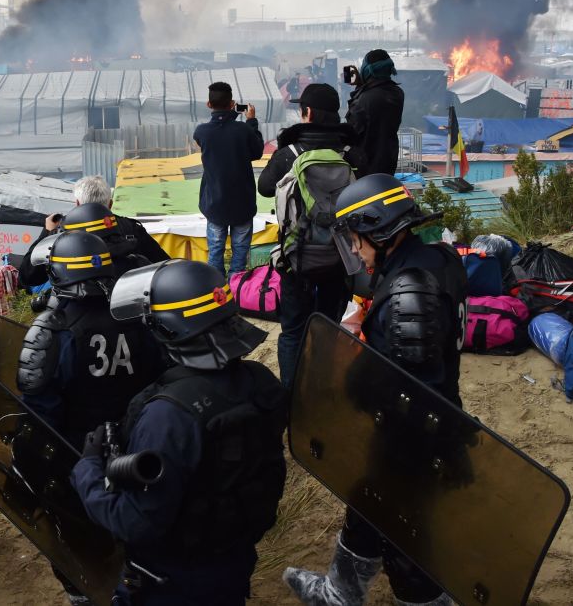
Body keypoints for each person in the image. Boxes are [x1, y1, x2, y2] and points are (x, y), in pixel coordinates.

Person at [284, 174, 467, 606]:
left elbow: (412, 392)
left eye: (356, 238)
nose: (354, 249)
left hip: (413, 438)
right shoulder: (434, 260)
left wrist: (353, 374)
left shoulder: (409, 291)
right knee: (367, 500)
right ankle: (339, 592)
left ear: (380, 230)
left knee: (406, 542)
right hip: (414, 428)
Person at [71, 259, 287, 604]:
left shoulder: (169, 415)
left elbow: (135, 522)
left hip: (169, 579)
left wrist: (87, 469)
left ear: (168, 331)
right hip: (234, 558)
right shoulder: (262, 383)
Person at [19, 230, 167, 605]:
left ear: (59, 275)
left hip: (78, 457)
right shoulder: (141, 317)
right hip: (142, 447)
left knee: (79, 539)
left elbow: (41, 415)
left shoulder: (51, 331)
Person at [258, 83, 357, 388]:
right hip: (339, 256)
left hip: (297, 256)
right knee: (328, 326)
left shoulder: (288, 152)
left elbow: (264, 187)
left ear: (307, 113)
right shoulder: (350, 152)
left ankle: (291, 394)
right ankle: (324, 391)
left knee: (292, 330)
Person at [18, 175, 168, 287]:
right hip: (126, 314)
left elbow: (28, 277)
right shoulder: (131, 229)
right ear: (110, 204)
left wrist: (47, 233)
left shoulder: (60, 235)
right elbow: (164, 267)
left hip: (75, 314)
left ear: (77, 203)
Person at [193, 81, 265, 277]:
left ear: (209, 105)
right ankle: (238, 293)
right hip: (243, 204)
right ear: (232, 103)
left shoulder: (201, 132)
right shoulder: (244, 130)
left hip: (215, 204)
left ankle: (216, 293)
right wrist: (251, 121)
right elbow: (257, 152)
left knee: (215, 255)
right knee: (239, 257)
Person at [344, 49, 403, 177]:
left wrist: (359, 89)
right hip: (388, 160)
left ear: (368, 70)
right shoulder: (397, 93)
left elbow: (352, 132)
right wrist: (363, 85)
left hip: (365, 165)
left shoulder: (364, 100)